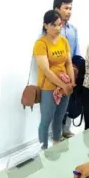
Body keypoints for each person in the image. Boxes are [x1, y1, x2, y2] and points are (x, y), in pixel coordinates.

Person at [33, 10, 75, 149]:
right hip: (48, 87)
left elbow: (68, 62)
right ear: (46, 25)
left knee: (59, 118)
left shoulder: (63, 41)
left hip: (64, 86)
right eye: (54, 25)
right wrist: (63, 85)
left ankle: (57, 144)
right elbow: (45, 69)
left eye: (59, 25)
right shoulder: (41, 43)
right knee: (46, 121)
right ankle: (43, 150)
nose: (58, 28)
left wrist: (71, 83)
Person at [53, 0, 81, 139]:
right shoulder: (50, 29)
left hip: (70, 71)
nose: (69, 11)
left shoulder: (73, 30)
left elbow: (76, 51)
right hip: (55, 73)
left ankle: (66, 129)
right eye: (66, 8)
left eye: (70, 8)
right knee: (55, 104)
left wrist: (75, 69)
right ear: (57, 9)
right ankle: (54, 133)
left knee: (70, 101)